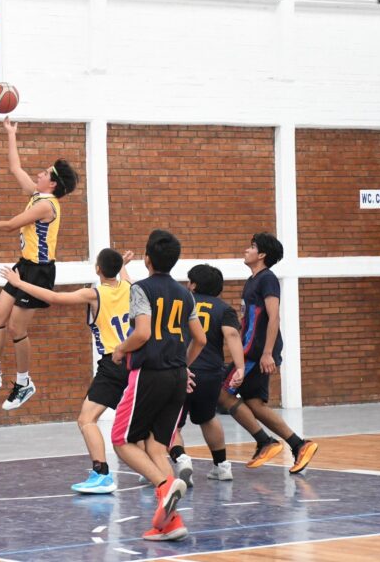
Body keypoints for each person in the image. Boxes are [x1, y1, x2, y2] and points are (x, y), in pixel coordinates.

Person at [0, 117, 79, 410]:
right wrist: (11, 134)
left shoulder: (46, 205)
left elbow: (11, 226)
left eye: (45, 172)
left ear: (54, 183)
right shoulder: (38, 195)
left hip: (39, 272)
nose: (38, 173)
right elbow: (15, 168)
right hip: (24, 264)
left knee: (16, 329)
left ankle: (24, 382)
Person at [1, 248, 133, 494]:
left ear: (97, 269)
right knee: (140, 420)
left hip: (113, 363)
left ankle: (101, 474)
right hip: (136, 362)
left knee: (86, 419)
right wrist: (122, 264)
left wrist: (19, 283)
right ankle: (160, 467)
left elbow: (54, 298)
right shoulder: (130, 287)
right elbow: (121, 276)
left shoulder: (94, 294)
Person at [111, 230, 206, 542]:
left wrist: (121, 349)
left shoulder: (141, 288)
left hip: (150, 373)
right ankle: (171, 522)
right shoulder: (185, 293)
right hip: (178, 375)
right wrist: (184, 365)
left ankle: (164, 487)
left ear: (147, 259)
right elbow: (200, 339)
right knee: (155, 446)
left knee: (121, 440)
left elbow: (142, 334)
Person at [218, 233, 318, 474]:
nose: (246, 250)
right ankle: (299, 445)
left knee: (221, 393)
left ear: (261, 254)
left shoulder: (268, 279)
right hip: (250, 350)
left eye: (251, 246)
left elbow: (275, 316)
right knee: (254, 403)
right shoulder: (252, 280)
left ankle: (265, 441)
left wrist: (267, 353)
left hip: (256, 352)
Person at [167, 264, 245, 487]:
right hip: (211, 373)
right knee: (208, 417)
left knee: (173, 423)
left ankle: (181, 460)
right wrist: (239, 367)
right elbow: (231, 334)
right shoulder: (224, 308)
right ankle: (222, 466)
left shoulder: (181, 304)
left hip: (183, 369)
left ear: (193, 284)